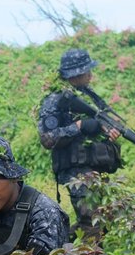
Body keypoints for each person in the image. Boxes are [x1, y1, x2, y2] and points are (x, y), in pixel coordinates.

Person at [37, 48, 121, 242]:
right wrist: (79, 126)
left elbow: (100, 119)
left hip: (94, 165)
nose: (90, 75)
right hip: (74, 170)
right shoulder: (54, 100)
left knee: (99, 219)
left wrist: (106, 129)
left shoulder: (86, 95)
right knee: (91, 222)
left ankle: (55, 245)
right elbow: (47, 138)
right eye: (86, 72)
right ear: (73, 75)